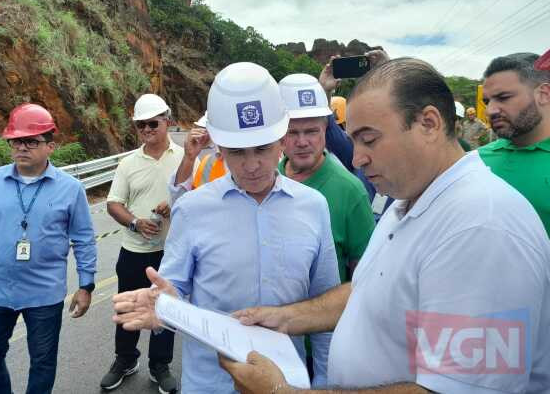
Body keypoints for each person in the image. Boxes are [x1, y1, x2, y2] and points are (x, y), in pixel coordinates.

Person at [216, 58, 550, 393]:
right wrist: (285, 318)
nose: (357, 158)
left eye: (369, 140)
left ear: (429, 123)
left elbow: (459, 389)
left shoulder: (481, 227)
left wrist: (281, 393)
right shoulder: (409, 199)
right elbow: (368, 290)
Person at [113, 62, 341, 393]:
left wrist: (323, 381)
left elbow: (325, 305)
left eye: (262, 148)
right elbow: (173, 286)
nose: (251, 165)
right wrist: (164, 304)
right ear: (218, 146)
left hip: (289, 383)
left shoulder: (314, 207)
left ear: (281, 138)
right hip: (210, 383)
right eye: (236, 152)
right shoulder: (191, 209)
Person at [0, 103, 97, 394]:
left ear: (50, 146)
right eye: (16, 140)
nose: (21, 147)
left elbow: (84, 238)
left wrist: (86, 284)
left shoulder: (70, 189)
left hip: (44, 295)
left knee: (43, 362)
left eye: (31, 141)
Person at [101, 94, 183, 393]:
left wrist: (175, 203)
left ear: (167, 121)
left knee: (166, 308)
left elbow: (199, 195)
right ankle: (125, 359)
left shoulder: (184, 158)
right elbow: (113, 203)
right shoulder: (128, 163)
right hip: (134, 251)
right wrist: (135, 221)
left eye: (153, 123)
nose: (147, 129)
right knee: (127, 307)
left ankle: (159, 364)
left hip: (171, 251)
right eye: (141, 125)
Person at [278, 73, 375, 282]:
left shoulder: (350, 191)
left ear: (326, 129)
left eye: (312, 131)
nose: (302, 142)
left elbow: (364, 280)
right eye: (292, 133)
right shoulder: (266, 180)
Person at [479, 52, 550, 237]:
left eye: (503, 97)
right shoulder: (475, 160)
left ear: (543, 94)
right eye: (487, 101)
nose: (490, 111)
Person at [319, 53, 394, 221]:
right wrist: (324, 90)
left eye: (369, 139)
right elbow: (329, 129)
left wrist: (389, 74)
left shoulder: (415, 167)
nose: (357, 160)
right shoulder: (355, 153)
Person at [168, 113, 227, 205]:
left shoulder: (248, 164)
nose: (202, 135)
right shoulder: (208, 162)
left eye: (206, 130)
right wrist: (189, 157)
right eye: (200, 129)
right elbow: (182, 198)